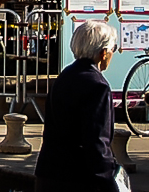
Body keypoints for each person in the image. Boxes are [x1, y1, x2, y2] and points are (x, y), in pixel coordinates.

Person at [34, 21, 120, 192]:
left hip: (49, 171)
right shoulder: (98, 86)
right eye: (113, 49)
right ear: (104, 53)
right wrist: (109, 183)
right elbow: (97, 141)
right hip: (78, 177)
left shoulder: (64, 76)